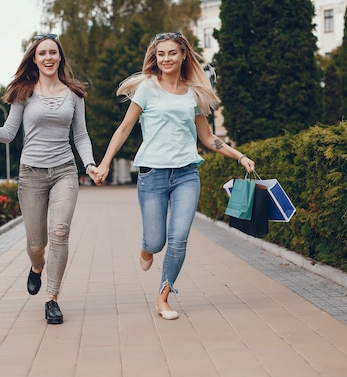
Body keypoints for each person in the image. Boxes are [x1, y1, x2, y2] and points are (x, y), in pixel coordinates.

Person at [92, 32, 255, 320]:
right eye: (161, 54)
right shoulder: (146, 88)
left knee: (178, 238)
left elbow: (208, 138)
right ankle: (146, 248)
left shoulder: (193, 94)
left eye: (171, 53)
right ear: (155, 58)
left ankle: (164, 296)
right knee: (156, 241)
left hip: (186, 175)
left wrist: (239, 155)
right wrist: (104, 164)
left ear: (183, 56)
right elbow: (124, 129)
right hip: (152, 174)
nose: (166, 58)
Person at [0, 33, 98, 325]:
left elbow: (81, 136)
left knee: (60, 232)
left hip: (64, 171)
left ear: (60, 57)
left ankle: (52, 299)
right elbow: (9, 134)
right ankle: (37, 267)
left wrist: (90, 164)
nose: (48, 58)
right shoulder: (23, 93)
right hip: (31, 174)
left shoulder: (74, 94)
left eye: (53, 52)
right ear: (34, 59)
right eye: (42, 53)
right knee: (37, 244)